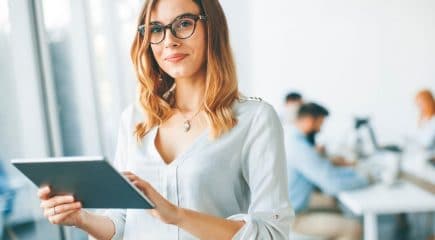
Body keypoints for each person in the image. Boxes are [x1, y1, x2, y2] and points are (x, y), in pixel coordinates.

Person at [37, 0, 293, 239]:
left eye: (183, 24)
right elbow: (122, 221)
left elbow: (272, 232)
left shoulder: (255, 119)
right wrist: (81, 218)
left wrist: (177, 215)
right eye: (156, 29)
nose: (169, 40)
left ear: (212, 28)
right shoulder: (135, 119)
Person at [285, 103, 369, 240]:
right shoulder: (299, 148)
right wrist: (364, 179)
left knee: (335, 206)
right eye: (320, 124)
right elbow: (332, 184)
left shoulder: (292, 139)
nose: (320, 130)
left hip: (289, 209)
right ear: (309, 120)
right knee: (353, 228)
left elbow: (325, 172)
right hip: (292, 219)